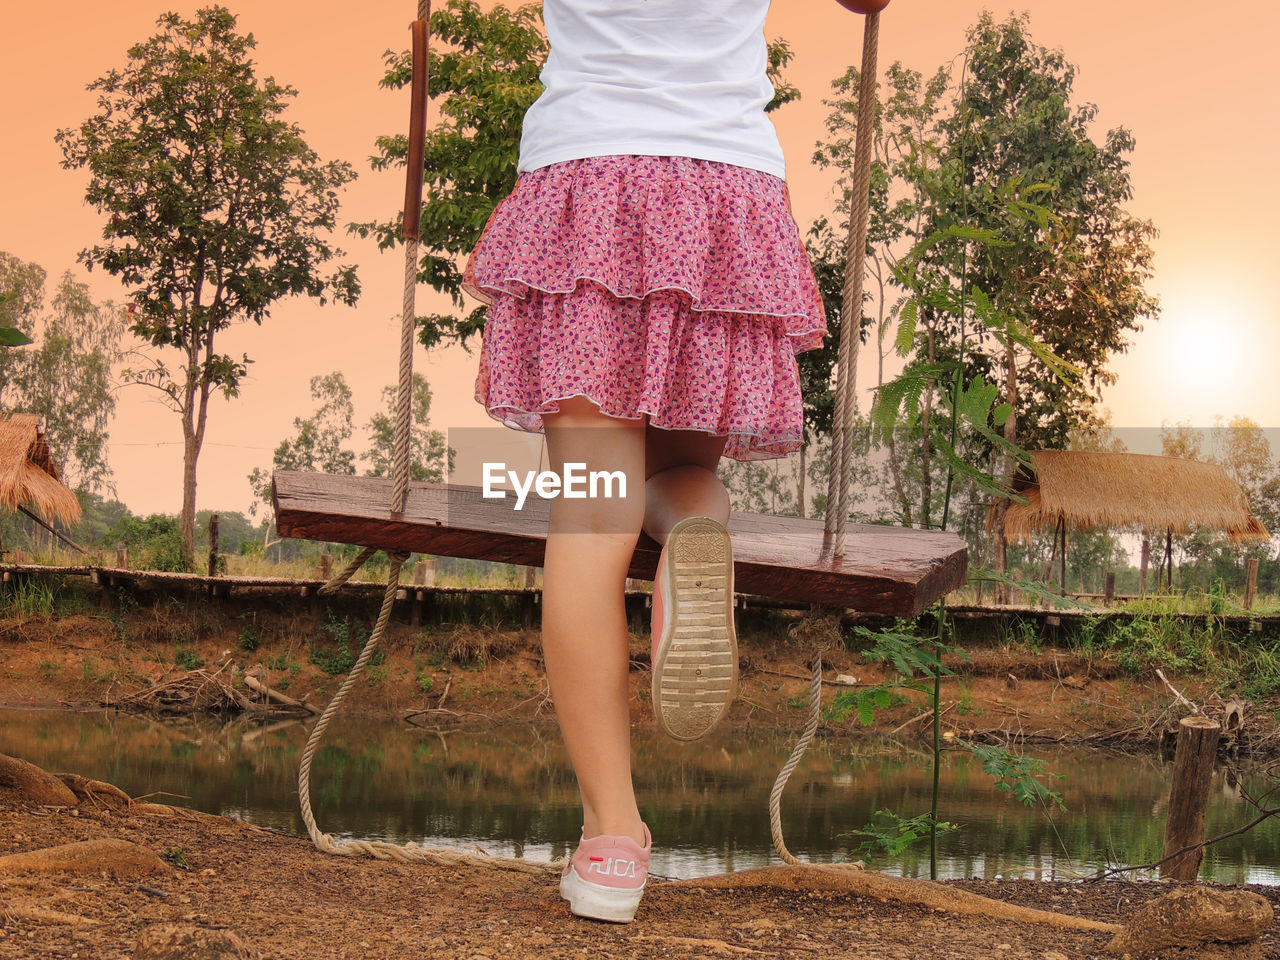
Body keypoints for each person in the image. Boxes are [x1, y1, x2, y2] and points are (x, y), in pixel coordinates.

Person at [461, 0, 828, 923]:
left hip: (587, 179)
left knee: (590, 513)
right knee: (681, 474)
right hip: (725, 190)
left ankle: (614, 841)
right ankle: (697, 533)